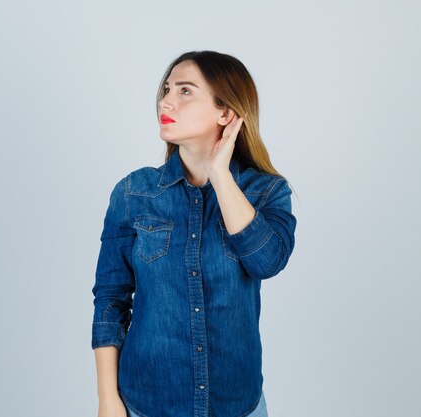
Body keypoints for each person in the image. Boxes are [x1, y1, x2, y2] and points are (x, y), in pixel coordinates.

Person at [91, 50, 297, 417]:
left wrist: (220, 174)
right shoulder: (133, 193)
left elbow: (267, 262)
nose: (166, 100)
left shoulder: (266, 192)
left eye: (185, 91)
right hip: (147, 403)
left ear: (226, 112)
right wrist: (108, 401)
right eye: (166, 89)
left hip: (237, 405)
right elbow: (111, 300)